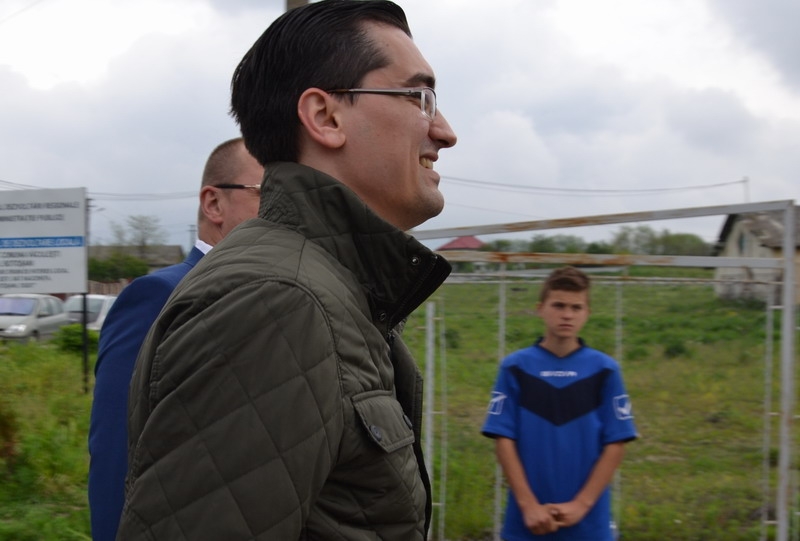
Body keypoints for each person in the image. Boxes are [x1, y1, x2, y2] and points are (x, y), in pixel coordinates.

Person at [116, 1, 457, 539]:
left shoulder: (329, 287)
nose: (444, 131)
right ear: (325, 117)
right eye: (419, 97)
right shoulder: (274, 300)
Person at [87, 137, 263, 541]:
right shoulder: (159, 297)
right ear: (214, 204)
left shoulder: (275, 299)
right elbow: (117, 451)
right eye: (265, 193)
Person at [481, 266, 638, 541]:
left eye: (576, 307)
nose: (567, 315)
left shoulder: (605, 370)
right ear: (540, 309)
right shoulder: (515, 367)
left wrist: (581, 505)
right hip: (527, 521)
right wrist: (528, 505)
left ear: (587, 313)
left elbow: (616, 442)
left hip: (589, 524)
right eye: (559, 305)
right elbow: (503, 439)